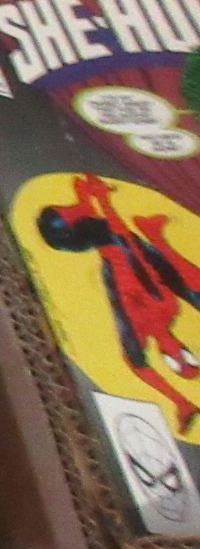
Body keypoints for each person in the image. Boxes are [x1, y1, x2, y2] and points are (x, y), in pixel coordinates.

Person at [38, 173, 200, 433]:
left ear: (165, 356)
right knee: (180, 278)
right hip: (123, 247)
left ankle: (89, 210)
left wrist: (180, 402)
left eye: (174, 360)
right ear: (184, 347)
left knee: (60, 228)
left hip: (115, 252)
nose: (176, 351)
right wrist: (101, 199)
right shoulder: (168, 307)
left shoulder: (142, 330)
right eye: (184, 355)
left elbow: (138, 365)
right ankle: (92, 209)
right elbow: (127, 241)